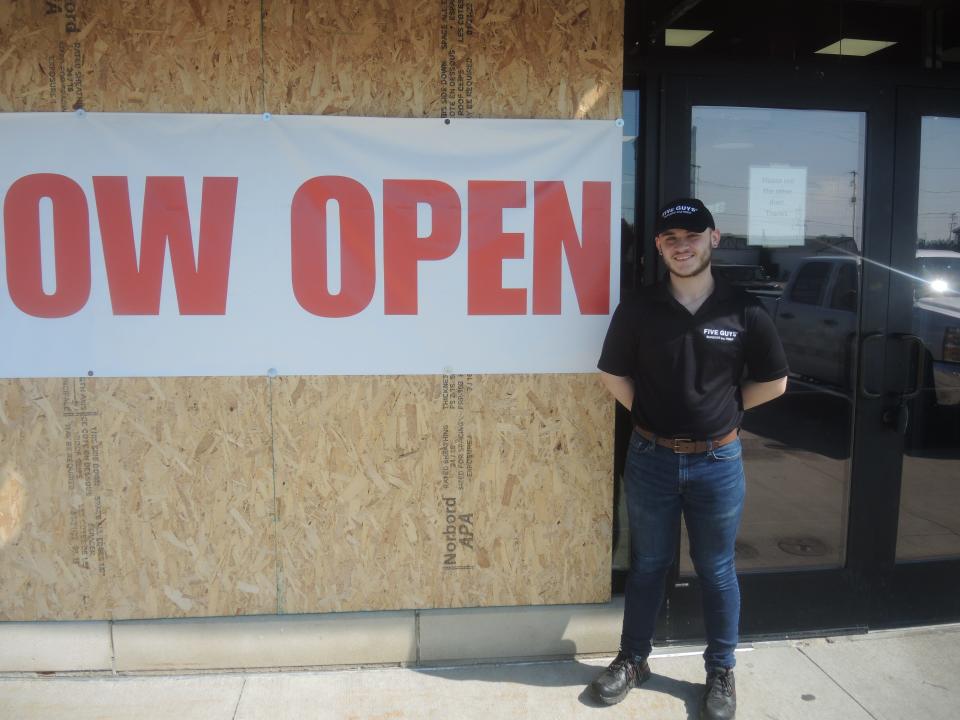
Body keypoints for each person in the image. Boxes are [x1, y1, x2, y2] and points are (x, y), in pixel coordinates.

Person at [589, 198, 788, 720]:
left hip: (718, 463)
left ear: (713, 239)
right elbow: (612, 374)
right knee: (649, 564)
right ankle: (634, 659)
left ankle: (721, 671)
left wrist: (727, 412)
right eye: (671, 238)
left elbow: (775, 381)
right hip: (651, 458)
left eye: (692, 236)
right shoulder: (639, 306)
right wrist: (652, 418)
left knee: (717, 568)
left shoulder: (744, 309)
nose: (682, 246)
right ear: (659, 246)